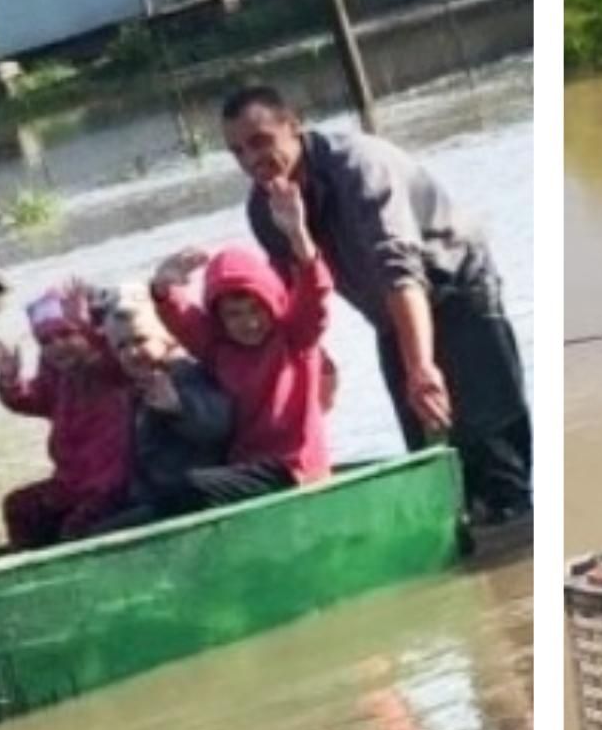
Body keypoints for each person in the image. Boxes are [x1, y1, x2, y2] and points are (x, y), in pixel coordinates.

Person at [218, 84, 530, 522]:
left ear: (294, 127)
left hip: (456, 289)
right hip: (388, 315)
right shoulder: (264, 207)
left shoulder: (360, 167)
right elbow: (292, 297)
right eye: (238, 152)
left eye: (260, 142)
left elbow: (399, 269)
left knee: (496, 448)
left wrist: (421, 366)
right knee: (430, 456)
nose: (252, 160)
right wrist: (315, 363)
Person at [148, 180, 333, 508]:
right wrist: (162, 284)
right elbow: (179, 315)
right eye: (234, 315)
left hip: (293, 468)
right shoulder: (218, 347)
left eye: (255, 310)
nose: (248, 323)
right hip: (244, 467)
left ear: (271, 305)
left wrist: (298, 237)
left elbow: (314, 296)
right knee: (169, 484)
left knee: (190, 486)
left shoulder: (294, 338)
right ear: (220, 318)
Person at [0, 286, 136, 549]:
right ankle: (24, 570)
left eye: (66, 334)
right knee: (19, 507)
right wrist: (10, 380)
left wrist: (87, 325)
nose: (57, 345)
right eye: (45, 341)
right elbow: (30, 399)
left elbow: (114, 358)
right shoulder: (56, 375)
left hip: (112, 485)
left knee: (74, 528)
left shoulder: (109, 367)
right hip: (71, 483)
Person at [89, 296, 237, 529]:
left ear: (168, 337)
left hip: (190, 499)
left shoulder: (187, 374)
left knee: (100, 534)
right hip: (155, 495)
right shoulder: (141, 386)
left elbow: (219, 423)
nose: (132, 352)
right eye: (122, 346)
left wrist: (179, 408)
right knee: (91, 518)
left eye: (140, 340)